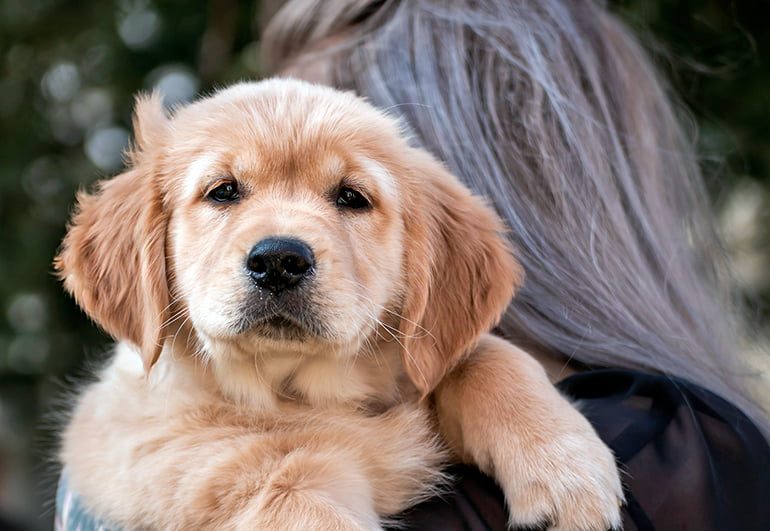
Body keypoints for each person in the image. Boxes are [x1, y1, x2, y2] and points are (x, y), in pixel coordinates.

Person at [57, 1, 770, 529]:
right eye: (223, 191)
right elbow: (113, 448)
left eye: (350, 195)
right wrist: (283, 491)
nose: (279, 248)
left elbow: (433, 355)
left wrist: (493, 380)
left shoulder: (664, 436)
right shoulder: (708, 447)